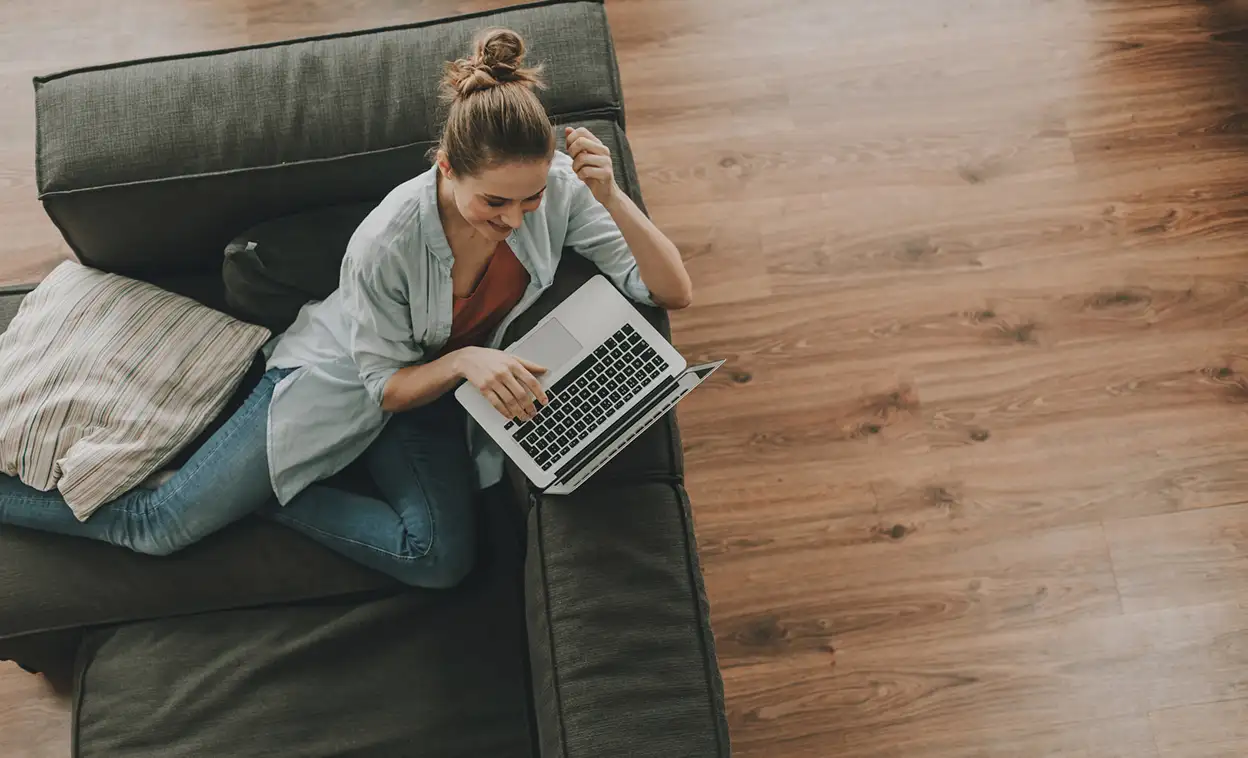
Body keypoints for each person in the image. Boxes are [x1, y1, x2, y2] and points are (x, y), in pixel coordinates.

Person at [0, 28, 692, 588]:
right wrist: (467, 359)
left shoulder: (559, 189)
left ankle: (261, 500)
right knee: (157, 525)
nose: (516, 219)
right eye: (495, 203)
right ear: (447, 169)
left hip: (434, 396)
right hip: (345, 384)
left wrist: (612, 197)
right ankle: (218, 490)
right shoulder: (387, 240)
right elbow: (383, 388)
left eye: (531, 199)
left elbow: (671, 291)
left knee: (439, 559)